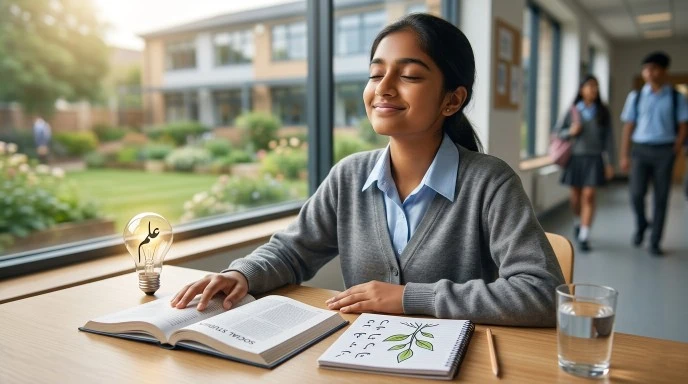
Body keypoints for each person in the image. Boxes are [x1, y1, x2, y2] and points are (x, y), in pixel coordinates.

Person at [171, 14, 565, 326]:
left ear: (452, 100)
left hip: (457, 366)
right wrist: (242, 274)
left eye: (409, 75)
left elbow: (543, 293)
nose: (384, 87)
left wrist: (409, 298)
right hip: (361, 359)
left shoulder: (489, 182)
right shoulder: (350, 175)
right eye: (376, 74)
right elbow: (292, 251)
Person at [620, 52, 688, 256]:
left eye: (653, 68)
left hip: (664, 151)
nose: (648, 73)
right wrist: (624, 155)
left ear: (663, 71)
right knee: (636, 194)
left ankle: (655, 240)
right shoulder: (636, 96)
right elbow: (628, 126)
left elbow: (683, 125)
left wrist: (676, 146)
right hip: (640, 150)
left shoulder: (676, 97)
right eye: (646, 68)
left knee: (661, 197)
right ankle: (642, 224)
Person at [556, 75, 614, 252]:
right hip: (575, 159)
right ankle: (577, 221)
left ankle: (584, 234)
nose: (593, 90)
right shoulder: (573, 111)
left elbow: (609, 140)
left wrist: (610, 163)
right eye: (589, 86)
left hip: (594, 159)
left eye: (596, 87)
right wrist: (570, 132)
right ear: (581, 89)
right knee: (575, 197)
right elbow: (558, 132)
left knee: (589, 196)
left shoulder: (603, 111)